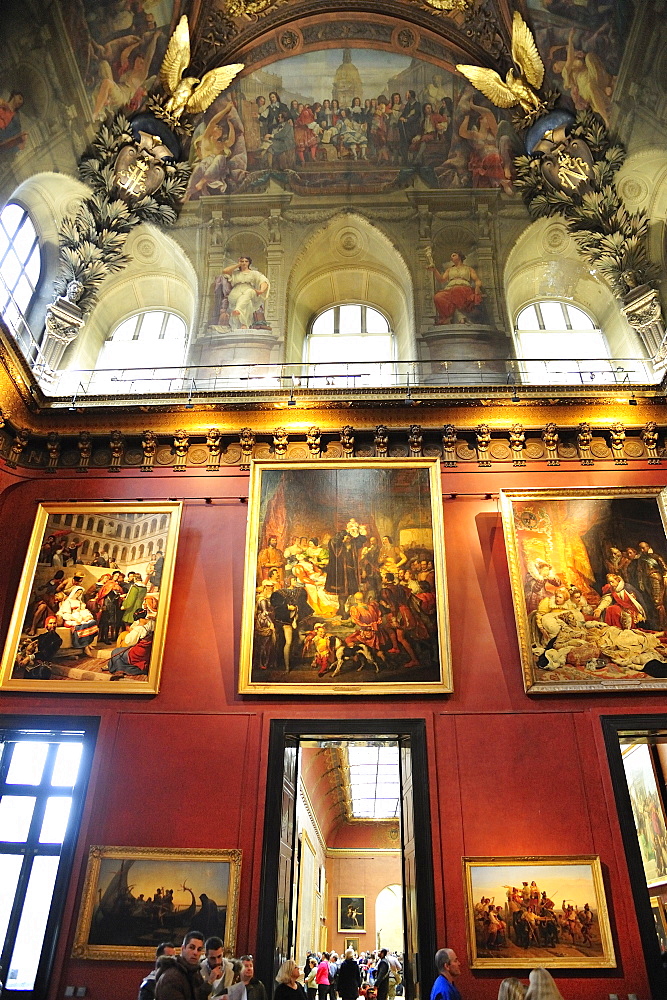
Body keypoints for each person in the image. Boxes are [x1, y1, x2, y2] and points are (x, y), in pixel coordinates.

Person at [429, 252, 483, 325]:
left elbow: (477, 280)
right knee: (438, 297)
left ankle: (461, 317)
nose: (452, 257)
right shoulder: (449, 270)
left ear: (459, 256)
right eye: (451, 256)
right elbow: (441, 279)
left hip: (464, 289)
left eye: (454, 255)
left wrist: (477, 287)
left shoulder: (468, 269)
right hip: (450, 289)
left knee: (457, 290)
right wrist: (434, 270)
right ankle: (449, 317)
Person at [155, 931, 209, 1000]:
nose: (195, 953)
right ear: (183, 948)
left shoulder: (195, 973)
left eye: (199, 949)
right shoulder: (172, 977)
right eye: (192, 947)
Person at [219, 257, 270, 331]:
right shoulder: (235, 273)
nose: (244, 263)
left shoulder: (254, 273)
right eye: (242, 261)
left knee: (250, 292)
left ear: (249, 263)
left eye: (246, 261)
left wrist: (261, 291)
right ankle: (244, 324)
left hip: (250, 292)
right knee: (247, 302)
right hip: (235, 293)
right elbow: (225, 271)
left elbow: (264, 281)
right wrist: (237, 265)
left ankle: (238, 312)